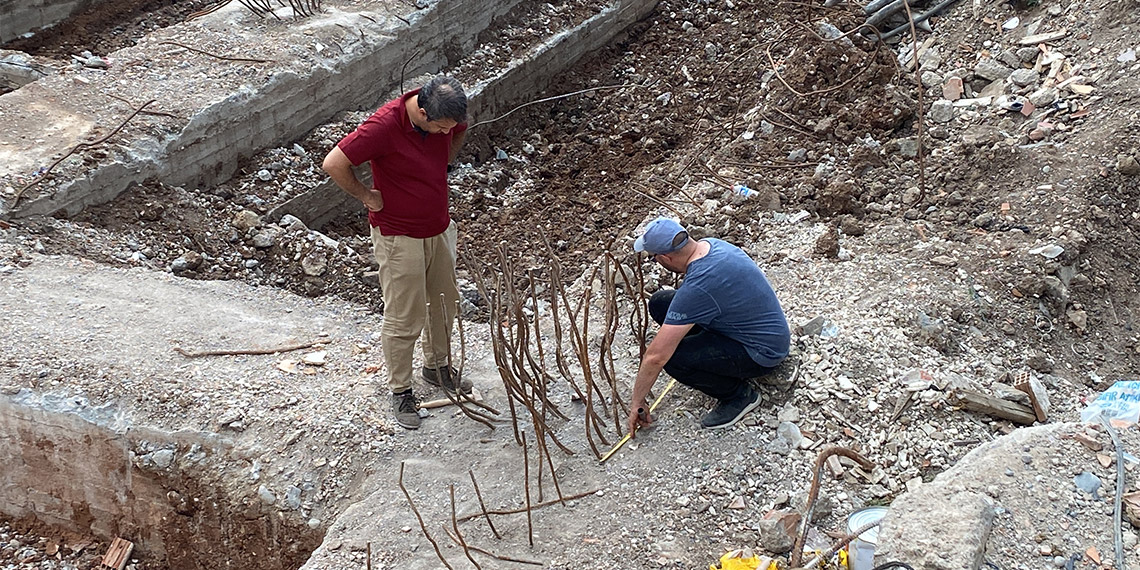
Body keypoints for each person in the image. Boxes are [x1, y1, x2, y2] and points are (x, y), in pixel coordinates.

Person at [321, 76, 472, 430]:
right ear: (421, 112)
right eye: (439, 129)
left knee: (444, 300)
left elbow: (461, 128)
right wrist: (366, 196)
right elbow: (333, 163)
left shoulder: (446, 114)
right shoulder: (383, 126)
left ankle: (436, 368)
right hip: (398, 233)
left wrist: (446, 159)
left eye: (447, 130)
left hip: (438, 226)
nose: (443, 134)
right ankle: (401, 389)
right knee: (406, 313)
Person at [626, 217, 790, 433]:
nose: (656, 261)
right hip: (759, 330)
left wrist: (637, 402)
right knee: (660, 303)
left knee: (673, 359)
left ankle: (738, 396)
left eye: (654, 257)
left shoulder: (698, 287)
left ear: (666, 257)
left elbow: (656, 357)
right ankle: (708, 361)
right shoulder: (712, 245)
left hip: (762, 352)